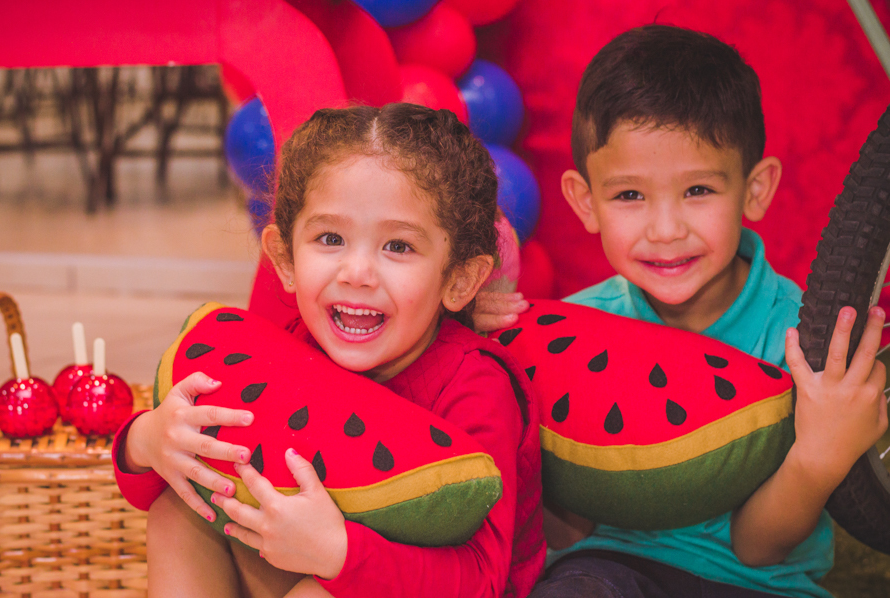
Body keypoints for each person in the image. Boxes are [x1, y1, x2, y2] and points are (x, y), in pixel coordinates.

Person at [481, 24, 888, 598]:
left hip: (754, 585)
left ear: (755, 190)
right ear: (584, 201)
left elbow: (758, 548)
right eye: (629, 195)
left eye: (698, 191)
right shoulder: (566, 332)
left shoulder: (801, 337)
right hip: (607, 568)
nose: (666, 230)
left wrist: (821, 456)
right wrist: (501, 394)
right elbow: (568, 532)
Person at [111, 103, 546, 598]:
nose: (356, 273)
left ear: (459, 279)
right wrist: (146, 441)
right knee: (177, 511)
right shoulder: (292, 344)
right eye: (331, 238)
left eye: (398, 246)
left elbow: (484, 579)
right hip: (293, 559)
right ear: (285, 258)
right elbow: (148, 486)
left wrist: (339, 554)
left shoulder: (477, 387)